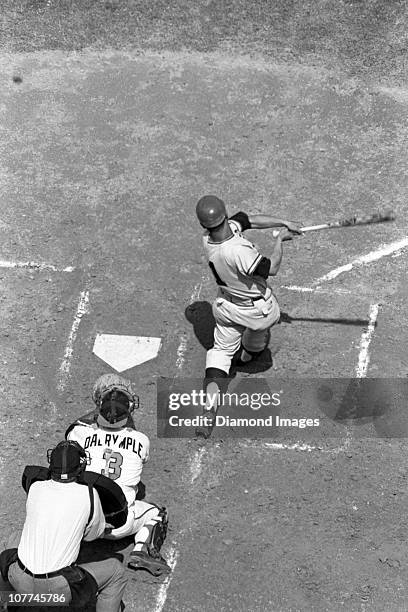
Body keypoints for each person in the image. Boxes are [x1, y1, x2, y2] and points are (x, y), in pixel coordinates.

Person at [195, 194, 302, 436]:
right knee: (259, 335)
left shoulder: (208, 238)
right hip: (256, 310)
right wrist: (281, 241)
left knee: (220, 353)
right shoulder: (237, 251)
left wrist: (284, 221)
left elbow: (248, 220)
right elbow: (271, 268)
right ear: (224, 214)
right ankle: (247, 356)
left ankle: (209, 409)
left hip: (227, 307)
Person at [0, 441, 127, 612]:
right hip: (57, 592)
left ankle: (9, 602)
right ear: (80, 467)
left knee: (14, 538)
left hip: (19, 579)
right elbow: (91, 536)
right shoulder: (89, 494)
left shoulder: (36, 487)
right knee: (116, 572)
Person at [66, 373, 171, 577]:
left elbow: (75, 429)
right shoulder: (141, 440)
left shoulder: (79, 433)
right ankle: (142, 549)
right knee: (156, 513)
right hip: (120, 525)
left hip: (84, 522)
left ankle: (65, 543)